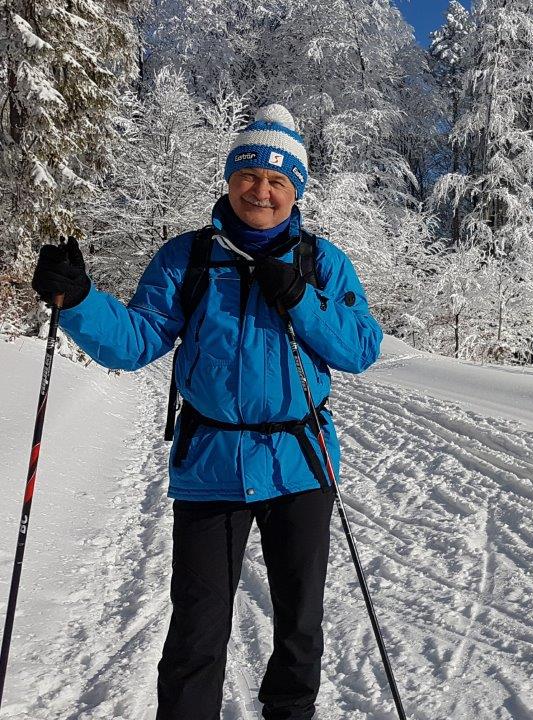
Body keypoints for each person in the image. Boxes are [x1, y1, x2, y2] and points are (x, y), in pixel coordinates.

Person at [29, 104, 383, 719]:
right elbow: (138, 339)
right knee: (198, 626)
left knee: (300, 623)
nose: (261, 191)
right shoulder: (187, 259)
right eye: (249, 176)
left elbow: (360, 347)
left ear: (296, 191)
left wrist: (300, 299)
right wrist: (80, 300)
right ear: (229, 180)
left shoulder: (321, 263)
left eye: (278, 181)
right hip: (211, 464)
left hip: (300, 463)